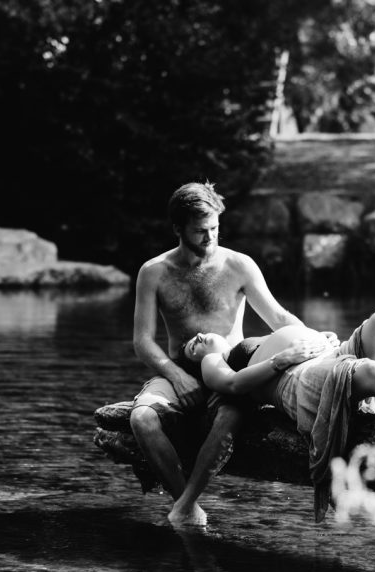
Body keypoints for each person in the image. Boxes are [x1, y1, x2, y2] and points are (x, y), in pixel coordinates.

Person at [182, 310, 375, 519]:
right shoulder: (214, 360)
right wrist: (283, 358)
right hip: (297, 379)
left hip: (325, 354)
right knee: (368, 372)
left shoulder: (244, 339)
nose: (196, 341)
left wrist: (319, 337)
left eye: (196, 337)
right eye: (190, 348)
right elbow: (234, 384)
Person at [131, 181, 316, 527]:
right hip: (179, 369)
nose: (210, 237)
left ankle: (186, 505)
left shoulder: (239, 266)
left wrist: (315, 340)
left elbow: (278, 318)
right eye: (200, 231)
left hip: (231, 371)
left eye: (215, 228)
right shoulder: (153, 272)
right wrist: (176, 375)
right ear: (177, 229)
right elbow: (142, 341)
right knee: (141, 419)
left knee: (231, 416)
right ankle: (185, 504)